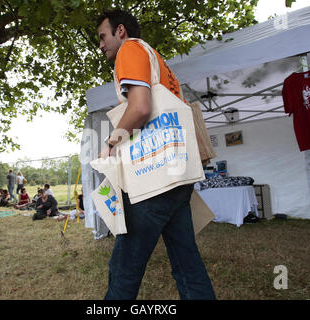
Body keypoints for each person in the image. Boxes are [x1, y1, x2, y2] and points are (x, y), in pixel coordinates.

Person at [96, 10, 216, 300]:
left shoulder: (131, 49)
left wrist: (111, 142)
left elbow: (139, 108)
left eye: (102, 36)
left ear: (120, 31)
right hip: (178, 177)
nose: (100, 45)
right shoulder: (156, 59)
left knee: (124, 270)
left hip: (152, 182)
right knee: (187, 264)